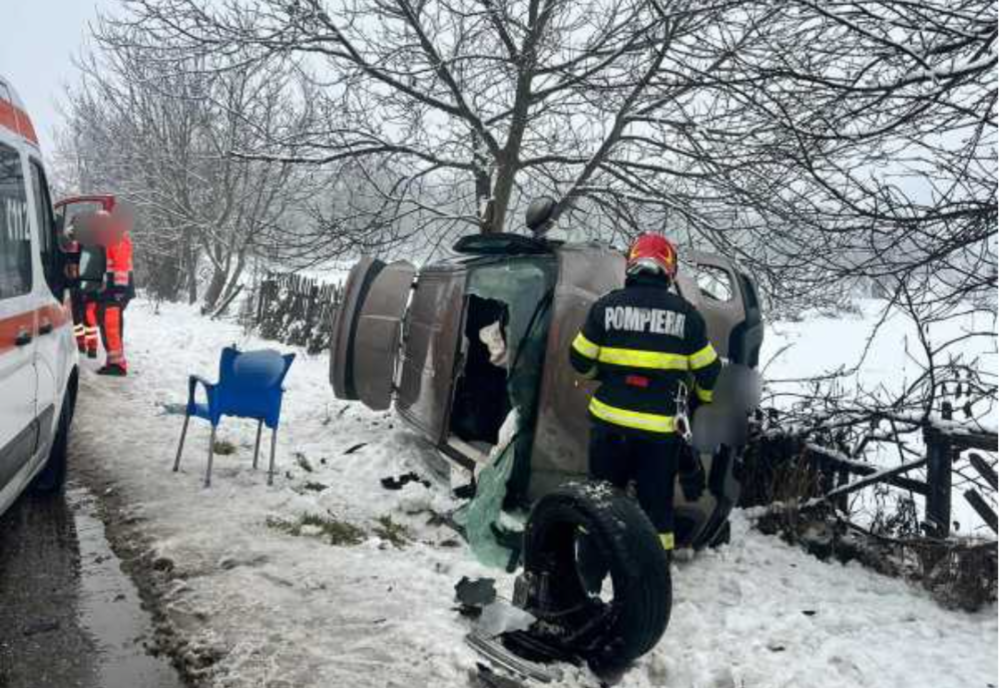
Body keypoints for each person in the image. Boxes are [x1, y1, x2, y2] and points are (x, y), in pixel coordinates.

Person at [569, 232, 722, 556]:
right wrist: (701, 399)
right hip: (659, 432)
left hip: (609, 424)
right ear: (669, 271)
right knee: (656, 506)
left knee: (600, 498)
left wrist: (604, 375)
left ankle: (590, 566)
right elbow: (710, 372)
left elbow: (579, 361)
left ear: (631, 265)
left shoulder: (605, 307)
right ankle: (652, 576)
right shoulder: (687, 315)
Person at [95, 209, 135, 376]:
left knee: (111, 326)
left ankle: (118, 365)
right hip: (110, 290)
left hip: (116, 291)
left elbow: (120, 267)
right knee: (107, 325)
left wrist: (119, 291)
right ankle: (113, 361)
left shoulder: (116, 237)